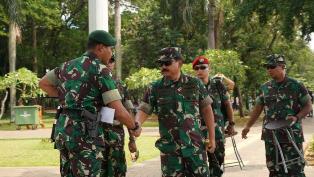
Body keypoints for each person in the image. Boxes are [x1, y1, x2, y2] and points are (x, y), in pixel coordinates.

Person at [39, 30, 141, 177]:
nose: (111, 54)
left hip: (64, 132)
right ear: (100, 48)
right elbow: (119, 111)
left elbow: (43, 83)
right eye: (110, 49)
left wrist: (67, 97)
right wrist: (134, 127)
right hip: (85, 135)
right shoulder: (100, 70)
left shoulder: (66, 66)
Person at [135, 47, 216, 177]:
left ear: (179, 63)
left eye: (167, 63)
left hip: (194, 148)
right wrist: (137, 123)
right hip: (170, 151)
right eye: (160, 64)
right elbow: (144, 109)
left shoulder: (195, 84)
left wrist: (212, 138)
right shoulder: (155, 88)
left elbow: (207, 109)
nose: (163, 66)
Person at [241, 54, 312, 177]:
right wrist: (247, 126)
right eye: (267, 67)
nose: (269, 69)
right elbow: (257, 109)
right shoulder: (265, 87)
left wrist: (296, 117)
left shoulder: (296, 85)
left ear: (282, 66)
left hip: (291, 134)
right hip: (271, 136)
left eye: (272, 66)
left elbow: (308, 106)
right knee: (274, 169)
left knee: (295, 169)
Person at [192, 56, 235, 177]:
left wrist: (231, 124)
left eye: (202, 67)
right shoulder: (191, 86)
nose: (199, 70)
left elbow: (227, 105)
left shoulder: (217, 84)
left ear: (208, 69)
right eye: (196, 68)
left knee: (217, 159)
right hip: (197, 130)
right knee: (198, 162)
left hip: (217, 129)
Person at [101, 56, 138, 177]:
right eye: (107, 60)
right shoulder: (92, 83)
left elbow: (128, 112)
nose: (109, 62)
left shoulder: (120, 85)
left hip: (116, 137)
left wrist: (132, 140)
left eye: (112, 60)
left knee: (117, 171)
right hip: (95, 136)